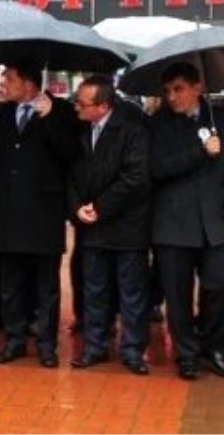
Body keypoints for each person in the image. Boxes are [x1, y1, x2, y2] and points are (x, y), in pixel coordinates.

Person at [149, 62, 224, 381]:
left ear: (197, 87)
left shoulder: (222, 119)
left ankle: (215, 347)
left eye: (178, 89)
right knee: (177, 295)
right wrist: (200, 152)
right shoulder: (158, 123)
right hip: (173, 224)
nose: (172, 97)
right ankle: (186, 353)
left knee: (219, 287)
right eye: (167, 91)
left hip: (216, 223)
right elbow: (156, 169)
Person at [0, 59, 81, 369]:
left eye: (10, 78)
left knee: (47, 286)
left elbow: (70, 153)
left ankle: (46, 344)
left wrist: (49, 117)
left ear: (28, 83)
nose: (4, 84)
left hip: (44, 212)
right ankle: (14, 340)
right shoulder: (1, 113)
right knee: (11, 283)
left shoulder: (61, 110)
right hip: (10, 210)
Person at [67, 76, 152, 376]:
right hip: (91, 227)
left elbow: (135, 178)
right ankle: (95, 346)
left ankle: (132, 350)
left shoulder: (132, 132)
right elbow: (71, 174)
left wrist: (99, 207)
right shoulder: (79, 131)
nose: (76, 107)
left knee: (132, 293)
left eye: (82, 103)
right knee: (95, 290)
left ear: (103, 106)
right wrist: (77, 206)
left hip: (127, 226)